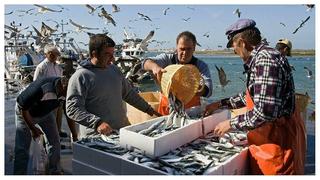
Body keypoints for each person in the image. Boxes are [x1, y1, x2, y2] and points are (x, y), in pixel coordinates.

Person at [204, 19, 306, 175]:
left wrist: (230, 123)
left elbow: (265, 112)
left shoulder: (265, 60)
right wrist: (219, 104)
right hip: (271, 138)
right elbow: (252, 96)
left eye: (234, 46)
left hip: (278, 143)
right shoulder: (264, 55)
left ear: (243, 43)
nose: (234, 51)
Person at [66, 34, 160, 137]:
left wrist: (149, 109)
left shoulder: (114, 70)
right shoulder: (81, 76)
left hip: (121, 131)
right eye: (107, 54)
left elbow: (129, 94)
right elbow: (72, 108)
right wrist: (97, 123)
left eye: (113, 54)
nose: (112, 58)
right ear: (94, 53)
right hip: (97, 137)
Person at [143, 31, 213, 115]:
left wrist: (191, 87)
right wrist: (155, 67)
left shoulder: (201, 66)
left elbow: (208, 91)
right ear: (176, 47)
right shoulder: (167, 59)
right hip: (166, 110)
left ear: (194, 48)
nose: (185, 53)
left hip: (191, 112)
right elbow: (144, 62)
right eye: (182, 49)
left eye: (189, 49)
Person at [13, 76, 68, 174]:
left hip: (46, 113)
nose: (68, 96)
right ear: (62, 87)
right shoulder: (42, 87)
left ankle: (55, 171)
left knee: (55, 142)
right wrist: (32, 128)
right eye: (66, 93)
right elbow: (23, 107)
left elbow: (68, 112)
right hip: (25, 113)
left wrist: (74, 134)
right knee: (22, 149)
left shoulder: (67, 92)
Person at [33, 44, 77, 140]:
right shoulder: (41, 67)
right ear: (49, 54)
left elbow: (60, 80)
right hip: (46, 98)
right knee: (50, 121)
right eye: (55, 54)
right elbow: (35, 84)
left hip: (57, 97)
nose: (57, 56)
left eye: (57, 54)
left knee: (58, 117)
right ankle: (50, 138)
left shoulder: (57, 67)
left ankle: (58, 133)